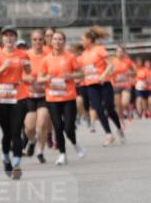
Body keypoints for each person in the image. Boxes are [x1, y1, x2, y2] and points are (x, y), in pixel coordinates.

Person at [0, 27, 30, 178]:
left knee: (16, 131)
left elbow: (29, 71)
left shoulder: (22, 54)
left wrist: (27, 66)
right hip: (0, 98)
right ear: (2, 38)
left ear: (15, 38)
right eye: (6, 36)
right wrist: (3, 68)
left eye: (12, 36)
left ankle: (16, 164)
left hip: (18, 95)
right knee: (7, 132)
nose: (9, 38)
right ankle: (6, 158)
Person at [38, 30, 85, 164]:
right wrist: (46, 78)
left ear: (64, 42)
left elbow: (81, 74)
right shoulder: (46, 60)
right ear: (50, 42)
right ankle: (62, 153)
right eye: (55, 39)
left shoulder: (70, 57)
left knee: (68, 128)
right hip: (52, 98)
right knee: (58, 126)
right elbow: (40, 78)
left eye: (60, 39)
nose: (57, 42)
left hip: (68, 97)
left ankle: (75, 144)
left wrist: (70, 76)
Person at [77, 28, 124, 145]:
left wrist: (103, 75)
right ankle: (108, 134)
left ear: (89, 40)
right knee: (98, 108)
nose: (81, 42)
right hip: (91, 85)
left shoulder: (99, 49)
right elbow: (83, 71)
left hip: (104, 84)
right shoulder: (83, 54)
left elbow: (110, 65)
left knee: (110, 109)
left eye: (82, 39)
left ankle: (119, 129)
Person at [25, 29, 51, 162]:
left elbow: (54, 71)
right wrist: (27, 78)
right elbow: (19, 74)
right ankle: (32, 141)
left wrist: (45, 79)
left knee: (42, 123)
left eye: (40, 39)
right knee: (29, 128)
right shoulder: (26, 55)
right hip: (29, 95)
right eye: (35, 39)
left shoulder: (49, 55)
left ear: (44, 40)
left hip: (45, 95)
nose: (38, 42)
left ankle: (40, 151)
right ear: (31, 40)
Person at [111, 44, 136, 124]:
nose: (120, 53)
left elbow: (135, 71)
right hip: (115, 85)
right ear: (115, 53)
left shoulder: (128, 61)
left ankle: (128, 112)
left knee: (124, 102)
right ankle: (121, 120)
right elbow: (107, 72)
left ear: (124, 53)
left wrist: (130, 73)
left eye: (121, 51)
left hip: (126, 84)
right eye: (118, 51)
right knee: (118, 105)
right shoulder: (112, 61)